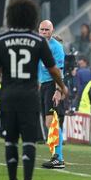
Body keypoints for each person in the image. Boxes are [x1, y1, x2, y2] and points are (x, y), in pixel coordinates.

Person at [0, 0, 68, 180]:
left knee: (11, 140)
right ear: (32, 19)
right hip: (30, 94)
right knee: (30, 140)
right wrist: (62, 86)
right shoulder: (37, 41)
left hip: (7, 95)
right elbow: (54, 69)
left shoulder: (1, 40)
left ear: (10, 17)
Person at [37, 19, 66, 169]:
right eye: (41, 30)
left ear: (52, 30)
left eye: (46, 30)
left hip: (51, 86)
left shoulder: (57, 47)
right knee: (48, 122)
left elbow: (59, 71)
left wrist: (58, 90)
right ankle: (56, 156)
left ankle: (58, 158)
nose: (43, 33)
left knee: (52, 122)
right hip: (43, 86)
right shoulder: (37, 45)